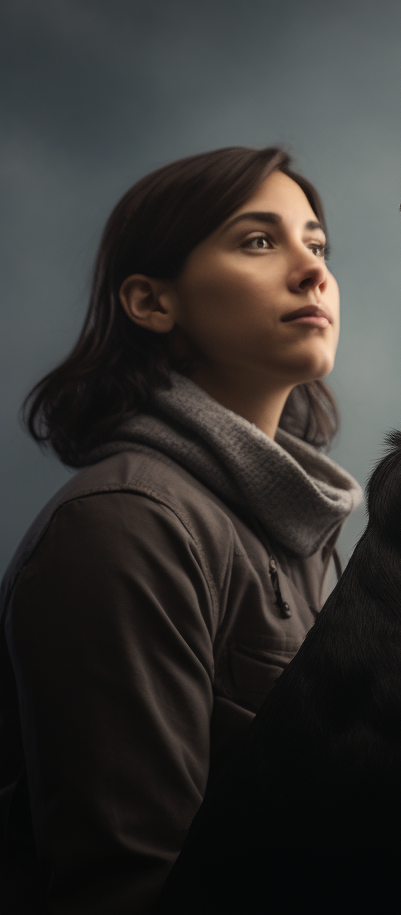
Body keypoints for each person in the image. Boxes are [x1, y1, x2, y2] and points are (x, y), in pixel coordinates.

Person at [0, 147, 362, 912]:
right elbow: (127, 886)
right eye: (259, 241)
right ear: (151, 302)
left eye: (316, 244)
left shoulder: (295, 530)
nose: (311, 271)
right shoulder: (127, 524)